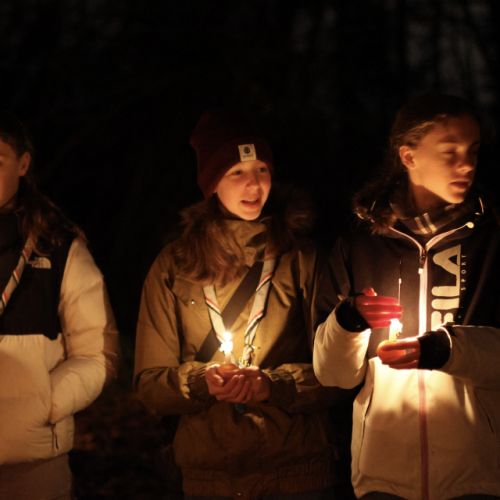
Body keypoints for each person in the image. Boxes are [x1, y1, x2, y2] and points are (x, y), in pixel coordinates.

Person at [134, 109, 346, 499]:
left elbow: (338, 372)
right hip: (211, 476)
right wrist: (202, 382)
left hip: (298, 471)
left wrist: (274, 385)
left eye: (262, 169)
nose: (253, 183)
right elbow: (150, 385)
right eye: (236, 172)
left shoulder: (302, 258)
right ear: (211, 183)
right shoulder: (175, 266)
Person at [313, 93, 500, 499]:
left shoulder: (491, 239)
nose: (467, 164)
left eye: (473, 150)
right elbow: (333, 375)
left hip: (475, 476)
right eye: (450, 151)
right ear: (408, 156)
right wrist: (349, 321)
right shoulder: (360, 244)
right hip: (384, 478)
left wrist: (447, 350)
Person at [0, 110, 119, 499]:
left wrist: (45, 404)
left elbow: (97, 352)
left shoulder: (58, 247)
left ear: (23, 164)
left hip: (34, 465)